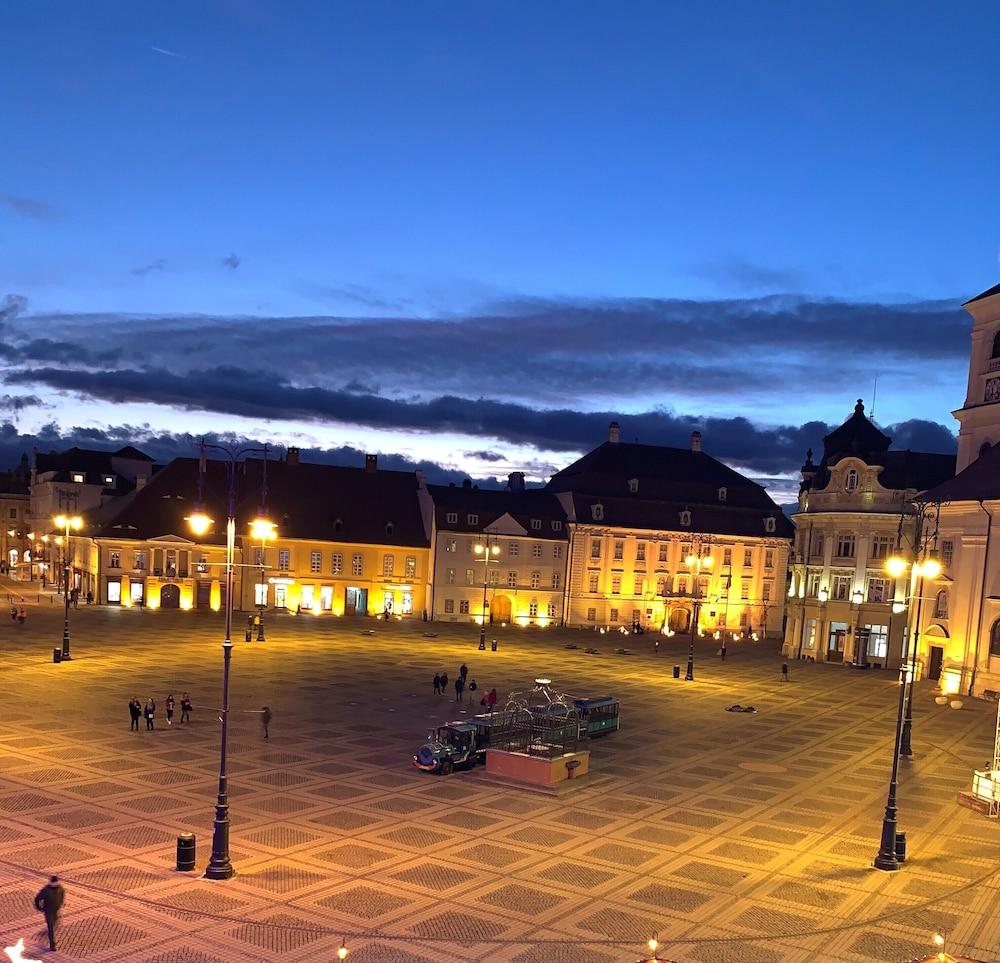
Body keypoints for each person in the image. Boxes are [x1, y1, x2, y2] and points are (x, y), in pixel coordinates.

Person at [34, 875, 65, 952]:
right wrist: (40, 908)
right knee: (51, 928)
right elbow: (37, 898)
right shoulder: (46, 890)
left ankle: (46, 932)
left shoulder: (60, 889)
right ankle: (52, 945)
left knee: (55, 924)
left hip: (55, 910)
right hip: (48, 912)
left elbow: (62, 896)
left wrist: (60, 904)